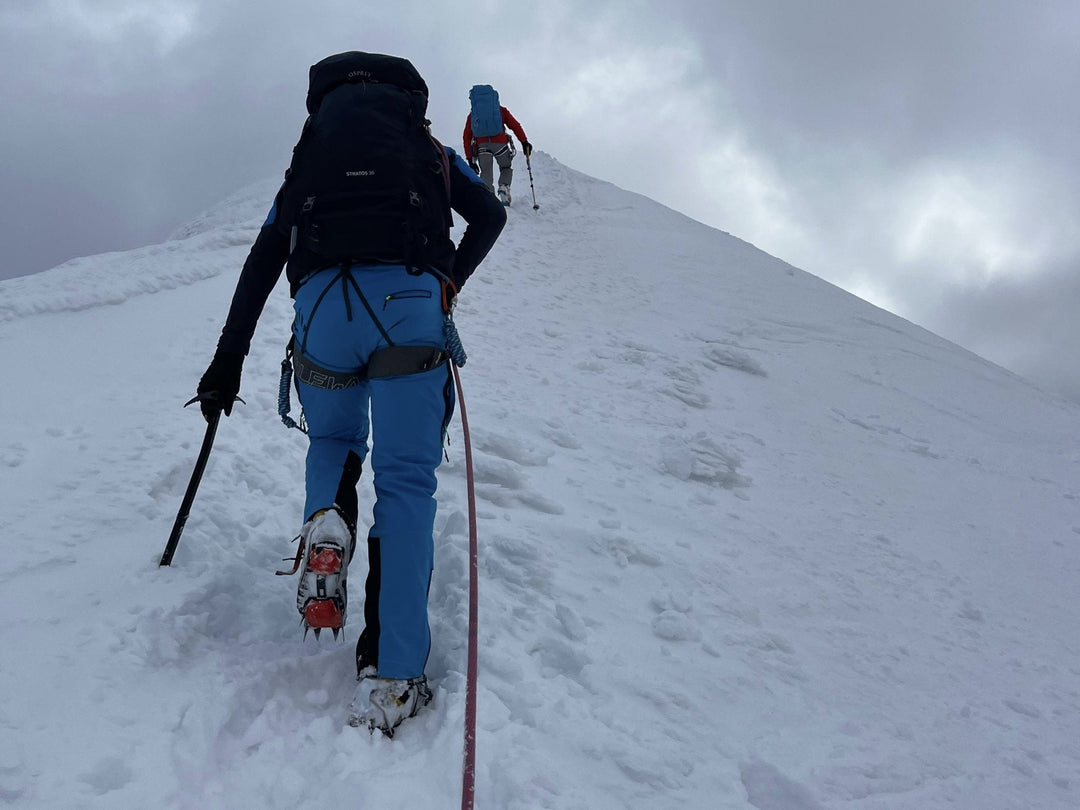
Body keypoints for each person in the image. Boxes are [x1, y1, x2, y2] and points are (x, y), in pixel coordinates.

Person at [195, 51, 506, 737]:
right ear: (410, 97)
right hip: (411, 306)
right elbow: (488, 215)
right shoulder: (426, 148)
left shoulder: (310, 160)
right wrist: (446, 278)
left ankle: (325, 520)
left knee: (335, 438)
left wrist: (229, 357)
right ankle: (394, 675)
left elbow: (263, 260)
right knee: (404, 484)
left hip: (322, 311)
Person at [462, 84, 532, 206]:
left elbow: (466, 136)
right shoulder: (500, 111)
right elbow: (515, 125)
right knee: (505, 167)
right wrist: (524, 141)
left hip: (482, 147)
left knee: (486, 172)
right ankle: (504, 187)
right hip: (500, 145)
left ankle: (489, 198)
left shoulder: (473, 115)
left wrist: (470, 159)